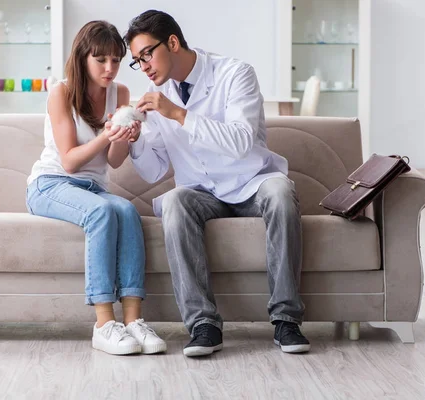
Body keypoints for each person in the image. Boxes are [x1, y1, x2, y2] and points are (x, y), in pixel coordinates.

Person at [124, 10, 311, 357]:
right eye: (137, 61)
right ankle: (203, 325)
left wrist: (179, 114)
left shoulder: (234, 74)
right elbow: (153, 171)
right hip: (203, 194)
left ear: (173, 42)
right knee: (176, 200)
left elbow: (242, 141)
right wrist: (135, 140)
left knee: (281, 191)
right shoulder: (156, 94)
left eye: (147, 53)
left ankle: (287, 320)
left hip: (251, 183)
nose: (144, 66)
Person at [26, 20, 166, 355]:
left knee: (128, 211)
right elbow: (70, 161)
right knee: (104, 211)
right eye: (100, 60)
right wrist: (106, 133)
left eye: (116, 60)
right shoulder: (61, 92)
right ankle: (104, 323)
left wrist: (125, 138)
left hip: (92, 189)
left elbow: (114, 161)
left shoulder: (120, 94)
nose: (110, 68)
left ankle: (133, 320)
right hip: (52, 183)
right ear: (82, 58)